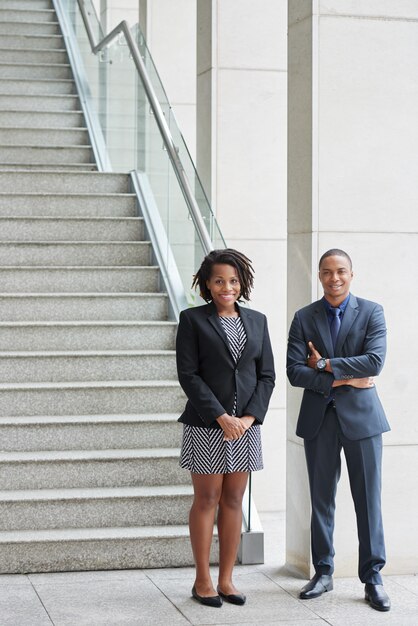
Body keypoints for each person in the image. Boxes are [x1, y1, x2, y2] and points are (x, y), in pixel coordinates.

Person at [286, 248, 391, 612]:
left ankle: (373, 577)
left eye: (341, 271)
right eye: (328, 272)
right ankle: (323, 572)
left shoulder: (372, 312)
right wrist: (343, 380)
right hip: (320, 419)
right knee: (321, 501)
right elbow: (294, 371)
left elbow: (375, 361)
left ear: (351, 274)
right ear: (319, 275)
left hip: (363, 421)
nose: (335, 278)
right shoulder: (303, 318)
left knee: (368, 500)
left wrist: (326, 364)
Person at [176, 248, 275, 608]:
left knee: (234, 500)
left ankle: (227, 579)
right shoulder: (192, 320)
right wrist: (220, 416)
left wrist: (247, 419)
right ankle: (202, 580)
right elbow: (188, 375)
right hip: (206, 425)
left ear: (242, 283)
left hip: (245, 427)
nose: (226, 287)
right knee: (207, 500)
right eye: (219, 280)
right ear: (206, 283)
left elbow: (266, 376)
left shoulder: (258, 321)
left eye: (233, 280)